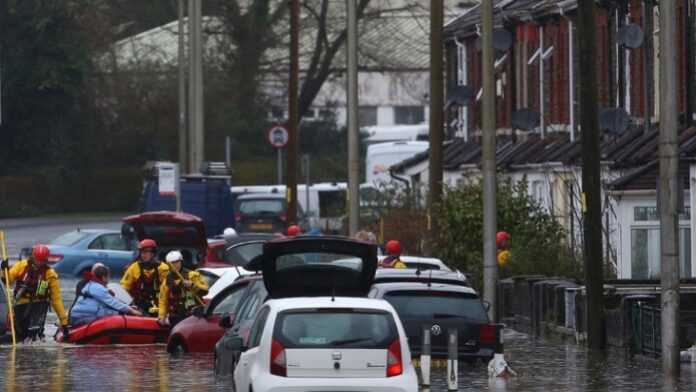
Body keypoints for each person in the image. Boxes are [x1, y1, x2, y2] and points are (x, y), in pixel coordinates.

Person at [0, 244, 69, 341]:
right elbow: (7, 281)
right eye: (37, 259)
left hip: (39, 307)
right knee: (18, 333)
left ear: (46, 260)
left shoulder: (50, 275)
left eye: (42, 260)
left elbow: (56, 300)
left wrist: (64, 322)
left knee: (33, 334)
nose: (39, 263)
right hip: (20, 305)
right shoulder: (22, 266)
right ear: (33, 257)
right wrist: (5, 271)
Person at [69, 263, 142, 326]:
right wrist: (131, 310)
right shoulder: (98, 288)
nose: (108, 279)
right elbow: (113, 303)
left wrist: (128, 307)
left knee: (113, 312)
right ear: (103, 277)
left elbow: (110, 302)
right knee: (114, 314)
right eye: (108, 277)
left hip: (80, 315)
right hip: (82, 317)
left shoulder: (91, 284)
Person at [120, 239, 170, 316]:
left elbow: (169, 289)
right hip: (140, 305)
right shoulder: (134, 267)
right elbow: (124, 287)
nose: (144, 255)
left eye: (147, 252)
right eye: (142, 252)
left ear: (153, 253)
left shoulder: (163, 268)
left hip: (159, 304)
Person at [158, 251, 208, 326]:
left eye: (177, 262)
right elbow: (163, 300)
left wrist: (192, 285)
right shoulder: (167, 281)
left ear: (181, 262)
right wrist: (162, 315)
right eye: (172, 263)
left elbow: (205, 291)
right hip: (176, 316)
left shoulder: (192, 275)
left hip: (192, 315)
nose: (175, 265)